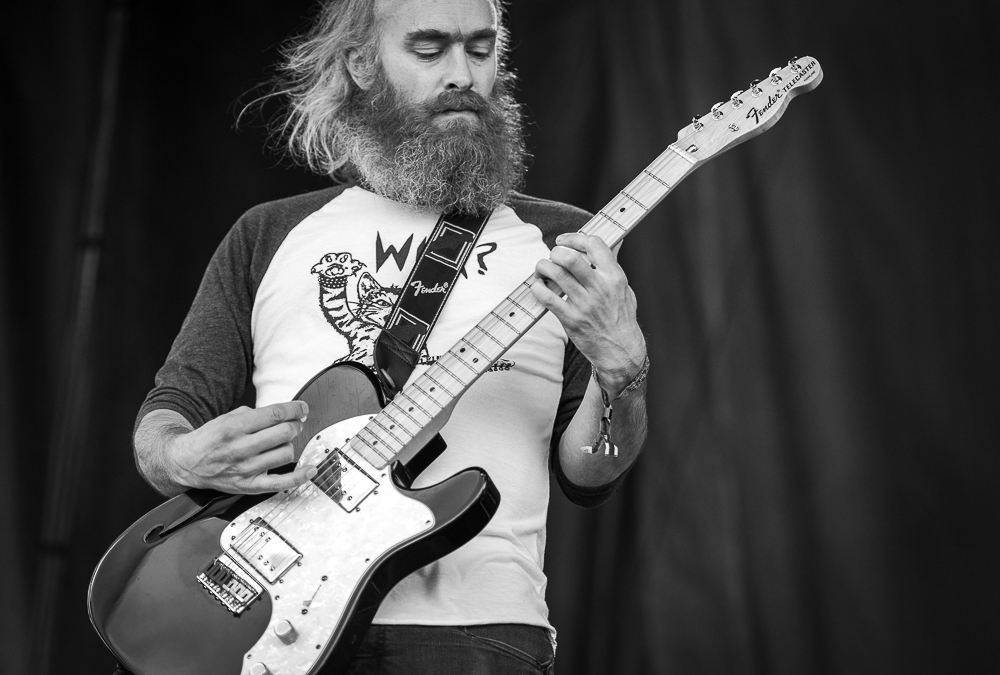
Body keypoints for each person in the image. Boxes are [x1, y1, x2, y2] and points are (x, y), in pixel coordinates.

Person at [133, 0, 648, 672]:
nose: (463, 73)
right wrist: (181, 457)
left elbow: (592, 473)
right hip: (270, 622)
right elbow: (168, 413)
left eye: (481, 47)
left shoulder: (565, 244)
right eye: (430, 49)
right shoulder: (268, 233)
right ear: (361, 62)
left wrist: (624, 374)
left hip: (472, 629)